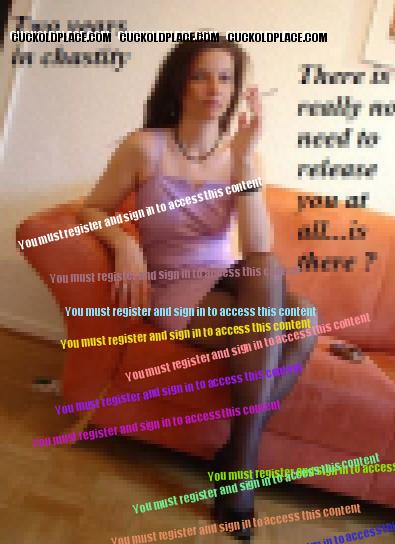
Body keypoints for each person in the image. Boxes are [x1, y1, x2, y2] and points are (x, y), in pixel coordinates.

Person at [79, 36, 318, 541]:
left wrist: (244, 161)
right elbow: (91, 208)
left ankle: (240, 456)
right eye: (200, 75)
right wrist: (124, 241)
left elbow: (257, 248)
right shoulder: (145, 146)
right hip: (173, 284)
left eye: (226, 78)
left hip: (229, 276)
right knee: (298, 322)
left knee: (286, 293)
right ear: (179, 84)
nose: (214, 88)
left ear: (236, 91)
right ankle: (237, 463)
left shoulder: (243, 158)